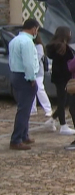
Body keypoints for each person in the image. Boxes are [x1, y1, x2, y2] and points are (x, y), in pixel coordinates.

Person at [9, 19, 40, 150]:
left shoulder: (14, 40)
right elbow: (28, 63)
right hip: (25, 77)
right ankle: (16, 139)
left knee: (24, 108)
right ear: (34, 29)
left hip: (15, 74)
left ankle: (23, 135)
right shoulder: (27, 42)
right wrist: (31, 78)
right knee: (24, 109)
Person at [45, 26, 75, 134]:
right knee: (62, 101)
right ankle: (63, 125)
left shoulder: (53, 46)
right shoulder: (64, 48)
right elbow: (71, 63)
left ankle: (53, 119)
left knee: (63, 100)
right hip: (64, 77)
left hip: (58, 76)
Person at [30, 34, 53, 117]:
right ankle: (32, 109)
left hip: (38, 72)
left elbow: (37, 58)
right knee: (31, 90)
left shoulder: (39, 46)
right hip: (30, 71)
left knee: (39, 88)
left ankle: (48, 109)